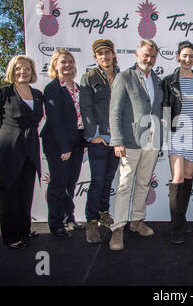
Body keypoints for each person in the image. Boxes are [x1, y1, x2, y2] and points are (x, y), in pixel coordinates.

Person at [109, 39, 164, 251]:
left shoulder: (156, 79)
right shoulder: (124, 77)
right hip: (130, 141)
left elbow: (156, 109)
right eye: (145, 55)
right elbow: (114, 111)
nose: (149, 59)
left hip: (152, 140)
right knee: (124, 186)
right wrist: (117, 141)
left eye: (152, 56)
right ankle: (118, 228)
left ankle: (137, 221)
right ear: (136, 54)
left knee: (143, 183)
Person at [0, 55, 44, 250]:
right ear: (12, 70)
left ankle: (24, 229)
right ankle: (11, 237)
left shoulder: (37, 94)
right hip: (9, 149)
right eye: (18, 68)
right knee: (9, 193)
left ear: (32, 72)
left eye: (27, 68)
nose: (23, 71)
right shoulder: (2, 92)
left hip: (30, 149)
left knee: (25, 193)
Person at [162, 41, 193, 244]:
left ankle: (181, 219)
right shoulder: (169, 81)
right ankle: (176, 227)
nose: (188, 59)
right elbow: (165, 107)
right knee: (178, 178)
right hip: (177, 132)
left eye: (191, 56)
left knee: (188, 176)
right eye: (184, 55)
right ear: (178, 56)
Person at [40, 49, 86, 239]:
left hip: (76, 143)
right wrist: (64, 147)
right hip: (59, 144)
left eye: (70, 61)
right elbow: (55, 120)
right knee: (58, 184)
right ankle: (55, 224)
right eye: (63, 62)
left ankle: (69, 218)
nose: (67, 65)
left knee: (70, 183)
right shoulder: (52, 88)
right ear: (55, 65)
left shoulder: (78, 88)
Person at [80, 39, 120, 244]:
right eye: (100, 53)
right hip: (98, 139)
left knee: (108, 179)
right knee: (96, 181)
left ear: (113, 54)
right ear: (96, 57)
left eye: (107, 52)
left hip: (117, 140)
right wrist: (93, 135)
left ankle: (104, 214)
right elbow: (85, 109)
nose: (104, 56)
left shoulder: (123, 77)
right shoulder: (88, 78)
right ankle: (91, 221)